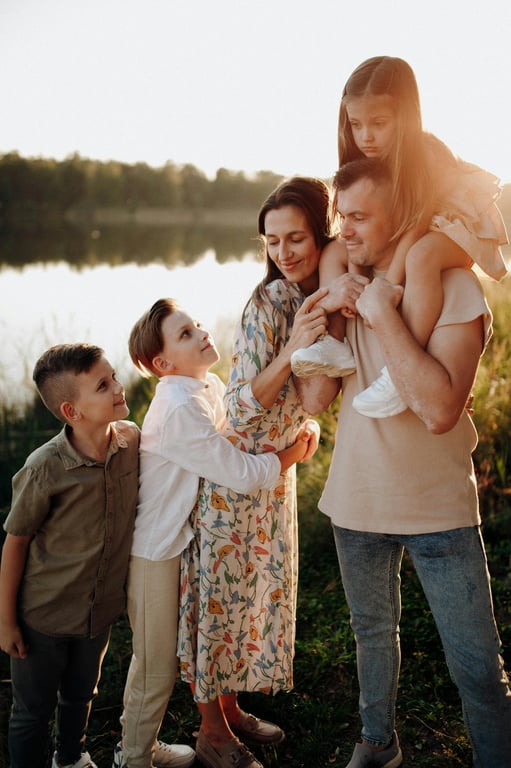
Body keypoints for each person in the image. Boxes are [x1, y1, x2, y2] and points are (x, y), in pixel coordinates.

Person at [299, 157, 511, 768]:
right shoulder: (344, 286)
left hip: (438, 509)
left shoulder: (456, 288)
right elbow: (316, 399)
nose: (345, 231)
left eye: (361, 218)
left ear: (402, 217)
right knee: (371, 637)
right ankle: (378, 745)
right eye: (342, 216)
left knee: (477, 667)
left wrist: (384, 313)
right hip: (355, 502)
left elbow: (439, 409)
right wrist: (314, 319)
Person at [178, 177, 365, 768]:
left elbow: (313, 394)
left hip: (271, 476)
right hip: (233, 481)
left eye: (295, 238)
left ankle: (231, 711)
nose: (283, 252)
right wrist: (291, 350)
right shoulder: (269, 303)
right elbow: (238, 408)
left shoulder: (313, 293)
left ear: (320, 235)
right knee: (218, 607)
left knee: (246, 601)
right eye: (272, 240)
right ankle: (211, 733)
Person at [115, 298, 319, 768]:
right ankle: (134, 756)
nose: (203, 333)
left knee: (213, 627)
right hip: (155, 550)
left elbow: (238, 437)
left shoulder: (205, 385)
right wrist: (294, 454)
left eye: (198, 324)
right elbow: (239, 472)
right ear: (163, 364)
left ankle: (221, 717)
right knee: (155, 663)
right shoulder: (177, 406)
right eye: (185, 334)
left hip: (186, 539)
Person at [291, 55, 508, 419]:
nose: (366, 136)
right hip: (421, 228)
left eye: (379, 123)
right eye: (356, 124)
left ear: (405, 116)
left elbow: (417, 226)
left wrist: (387, 285)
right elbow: (359, 236)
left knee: (421, 258)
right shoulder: (366, 163)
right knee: (334, 252)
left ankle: (399, 373)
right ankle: (333, 343)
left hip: (458, 225)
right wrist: (355, 284)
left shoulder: (425, 153)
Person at [0, 343, 140, 768]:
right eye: (103, 385)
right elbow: (16, 543)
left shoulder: (132, 442)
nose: (117, 387)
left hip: (98, 613)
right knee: (32, 711)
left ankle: (70, 757)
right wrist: (6, 622)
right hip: (44, 616)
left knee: (82, 693)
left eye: (114, 377)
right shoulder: (44, 468)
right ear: (71, 411)